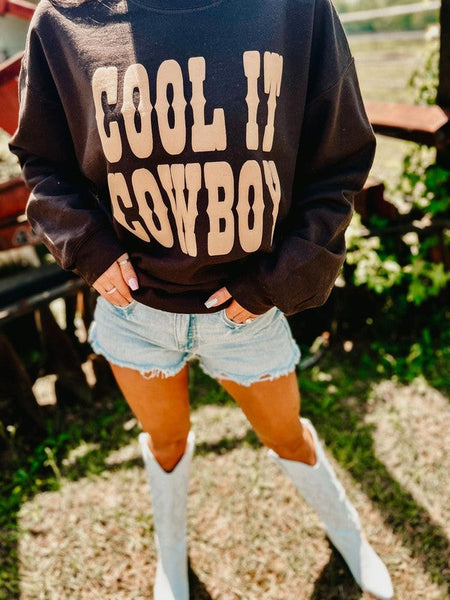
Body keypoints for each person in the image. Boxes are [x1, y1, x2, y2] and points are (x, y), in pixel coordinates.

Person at [10, 0, 394, 598]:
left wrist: (276, 281)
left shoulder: (294, 10)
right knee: (166, 444)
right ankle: (172, 560)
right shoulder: (65, 21)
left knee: (287, 435)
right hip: (136, 313)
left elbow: (339, 160)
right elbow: (42, 158)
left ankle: (348, 533)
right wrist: (88, 247)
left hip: (248, 313)